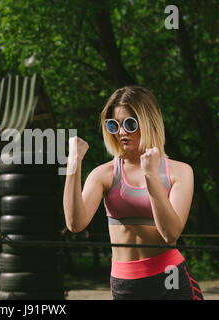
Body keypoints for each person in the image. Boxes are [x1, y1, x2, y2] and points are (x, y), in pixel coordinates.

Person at [63, 86, 204, 300]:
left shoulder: (180, 171)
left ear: (148, 122)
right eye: (114, 125)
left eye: (130, 124)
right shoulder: (104, 174)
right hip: (125, 284)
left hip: (170, 279)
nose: (121, 133)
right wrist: (73, 163)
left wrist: (151, 176)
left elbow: (170, 234)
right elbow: (75, 224)